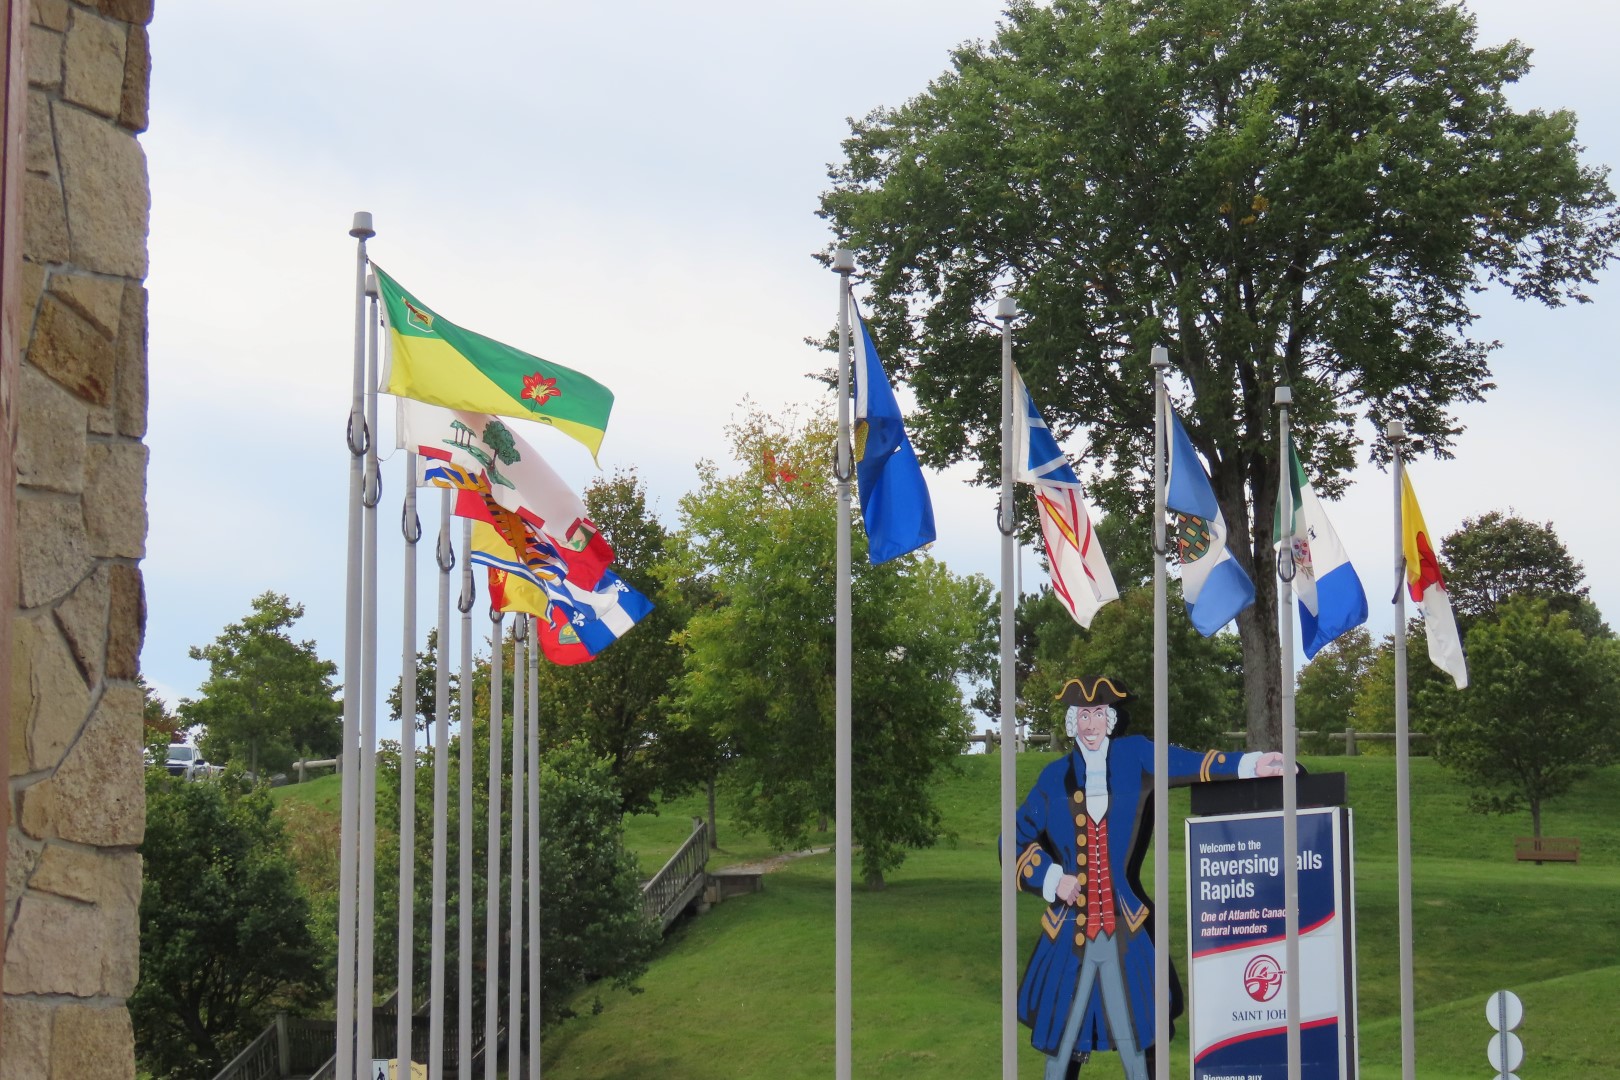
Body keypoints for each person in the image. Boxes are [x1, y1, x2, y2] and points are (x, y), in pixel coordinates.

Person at [1008, 676, 1283, 1080]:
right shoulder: (1053, 779)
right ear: (1072, 721)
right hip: (1069, 933)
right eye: (1082, 715)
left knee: (1139, 1034)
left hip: (1125, 927)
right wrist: (1052, 879)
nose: (1089, 724)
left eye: (1097, 714)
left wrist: (1250, 764)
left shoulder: (1134, 756)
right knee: (1064, 1038)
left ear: (1110, 719)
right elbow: (1012, 840)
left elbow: (1188, 763)